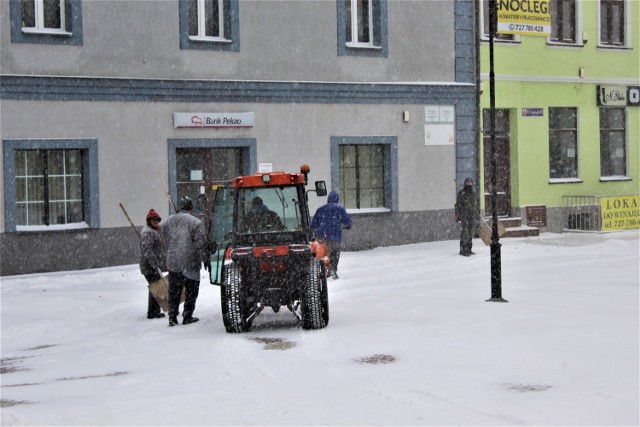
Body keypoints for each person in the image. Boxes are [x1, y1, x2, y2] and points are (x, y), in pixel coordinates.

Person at [161, 196, 208, 327]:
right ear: (191, 207)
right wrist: (205, 256)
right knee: (192, 291)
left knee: (174, 290)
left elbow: (164, 238)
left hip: (173, 261)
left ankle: (172, 316)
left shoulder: (167, 222)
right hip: (190, 261)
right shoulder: (195, 222)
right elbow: (200, 243)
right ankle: (187, 315)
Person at [311, 190, 352, 279]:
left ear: (328, 199)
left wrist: (317, 231)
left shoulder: (320, 209)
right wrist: (348, 225)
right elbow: (348, 221)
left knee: (324, 253)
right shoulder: (340, 209)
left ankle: (325, 269)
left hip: (322, 236)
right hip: (335, 236)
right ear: (337, 199)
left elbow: (313, 225)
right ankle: (333, 269)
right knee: (335, 253)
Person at [139, 208, 166, 319]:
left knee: (156, 287)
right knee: (156, 287)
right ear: (149, 221)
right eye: (154, 220)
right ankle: (153, 313)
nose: (156, 222)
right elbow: (147, 250)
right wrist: (154, 264)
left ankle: (154, 311)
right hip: (149, 266)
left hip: (153, 266)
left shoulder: (153, 231)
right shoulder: (147, 233)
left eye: (157, 220)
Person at [455, 177, 479, 256]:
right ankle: (462, 250)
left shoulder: (473, 193)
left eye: (470, 182)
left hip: (471, 215)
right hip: (464, 215)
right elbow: (457, 205)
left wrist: (476, 210)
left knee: (470, 232)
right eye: (468, 182)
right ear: (465, 183)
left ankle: (469, 249)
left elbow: (475, 204)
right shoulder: (461, 193)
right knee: (464, 232)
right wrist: (457, 214)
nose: (469, 184)